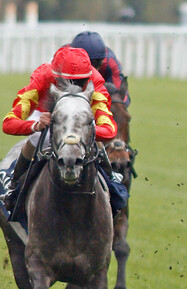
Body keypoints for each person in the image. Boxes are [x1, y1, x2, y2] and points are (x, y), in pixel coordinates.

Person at [2, 46, 117, 211]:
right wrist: (35, 125)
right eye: (67, 83)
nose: (74, 87)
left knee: (95, 140)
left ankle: (112, 183)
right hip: (45, 112)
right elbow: (9, 123)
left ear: (88, 78)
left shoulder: (95, 80)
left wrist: (84, 131)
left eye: (80, 83)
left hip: (80, 116)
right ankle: (14, 188)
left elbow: (109, 130)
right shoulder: (43, 75)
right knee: (37, 137)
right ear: (55, 77)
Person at [70, 31, 131, 106]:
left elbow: (123, 100)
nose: (94, 70)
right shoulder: (62, 60)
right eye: (89, 63)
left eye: (97, 63)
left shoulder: (110, 63)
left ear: (103, 60)